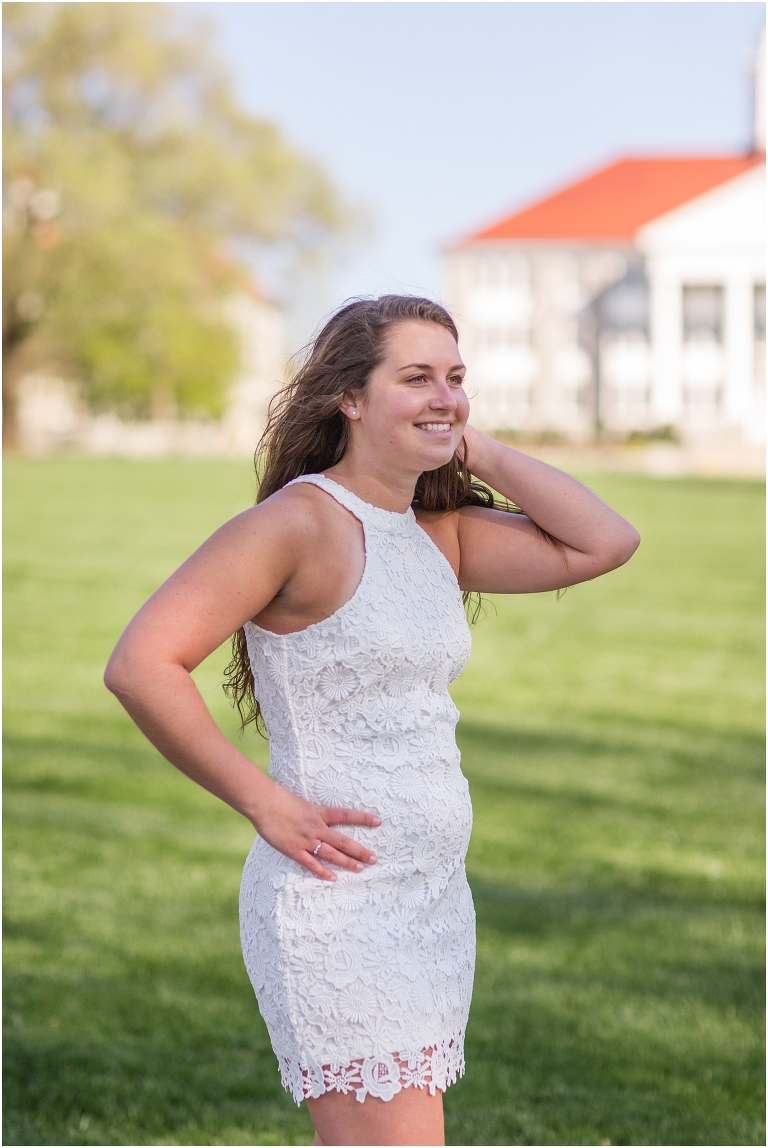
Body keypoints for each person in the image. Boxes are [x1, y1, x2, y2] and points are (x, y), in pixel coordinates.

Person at [105, 295, 640, 1146]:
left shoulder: (439, 532)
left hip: (431, 900)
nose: (444, 394)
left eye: (457, 378)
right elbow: (141, 664)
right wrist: (263, 801)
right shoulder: (296, 524)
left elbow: (604, 541)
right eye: (416, 377)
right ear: (349, 398)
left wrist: (469, 440)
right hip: (338, 905)